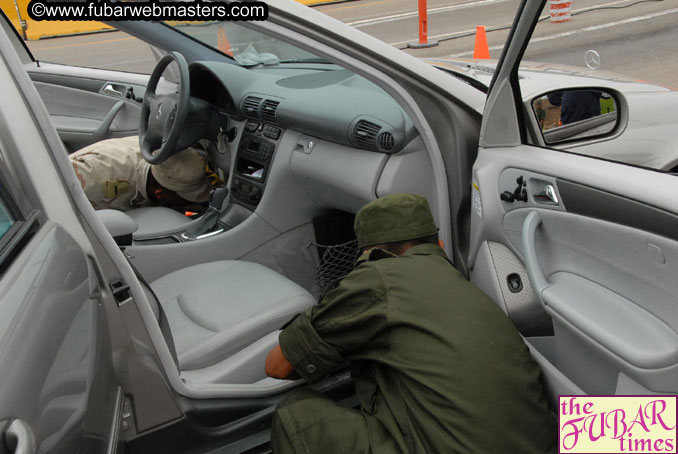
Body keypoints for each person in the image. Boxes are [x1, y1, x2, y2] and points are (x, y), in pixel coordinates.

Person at [265, 193, 557, 454]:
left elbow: (277, 366)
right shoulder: (461, 286)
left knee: (294, 415)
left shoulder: (377, 278)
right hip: (540, 444)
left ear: (370, 255)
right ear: (437, 244)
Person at [70, 135, 212, 212]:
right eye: (186, 198)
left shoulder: (163, 155)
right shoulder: (94, 175)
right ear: (159, 193)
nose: (190, 203)